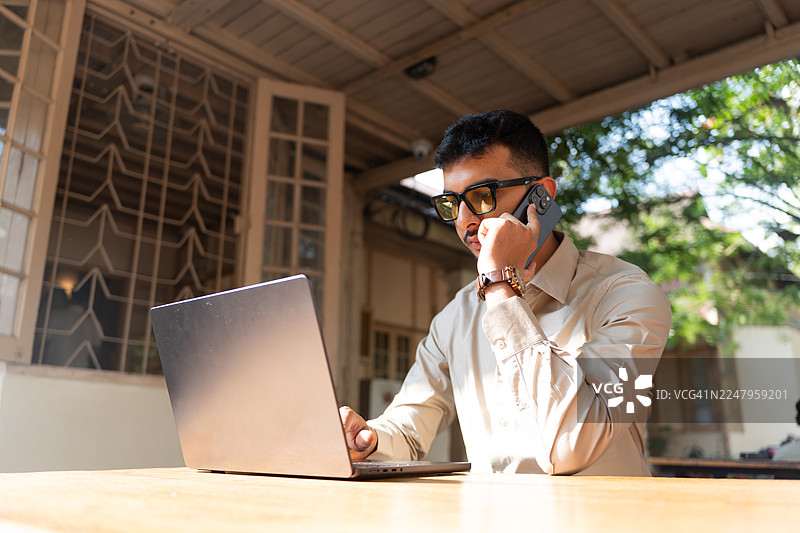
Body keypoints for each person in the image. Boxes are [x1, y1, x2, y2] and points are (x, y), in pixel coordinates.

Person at [339, 109, 672, 475]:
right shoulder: (455, 317)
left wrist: (500, 285)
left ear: (541, 196)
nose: (465, 219)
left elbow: (573, 444)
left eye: (482, 196)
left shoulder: (628, 296)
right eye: (451, 203)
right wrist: (366, 439)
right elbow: (408, 428)